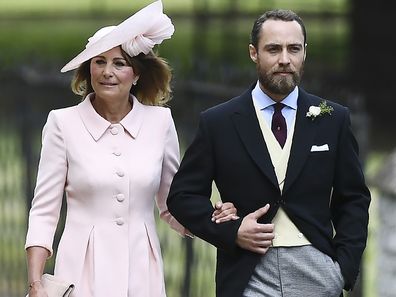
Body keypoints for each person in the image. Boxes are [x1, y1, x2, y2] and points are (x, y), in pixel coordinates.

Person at [24, 1, 238, 297]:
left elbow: (172, 205)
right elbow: (44, 211)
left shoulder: (160, 122)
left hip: (141, 269)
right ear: (88, 70)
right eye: (99, 62)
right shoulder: (63, 123)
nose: (107, 72)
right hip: (80, 268)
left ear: (136, 74)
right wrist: (36, 284)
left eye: (119, 63)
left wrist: (209, 218)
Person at [167, 9, 371, 297]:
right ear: (254, 53)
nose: (285, 59)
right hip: (247, 273)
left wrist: (342, 270)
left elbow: (353, 198)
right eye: (273, 49)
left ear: (304, 53)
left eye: (294, 49)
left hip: (317, 269)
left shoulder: (333, 118)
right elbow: (182, 197)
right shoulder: (218, 122)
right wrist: (232, 231)